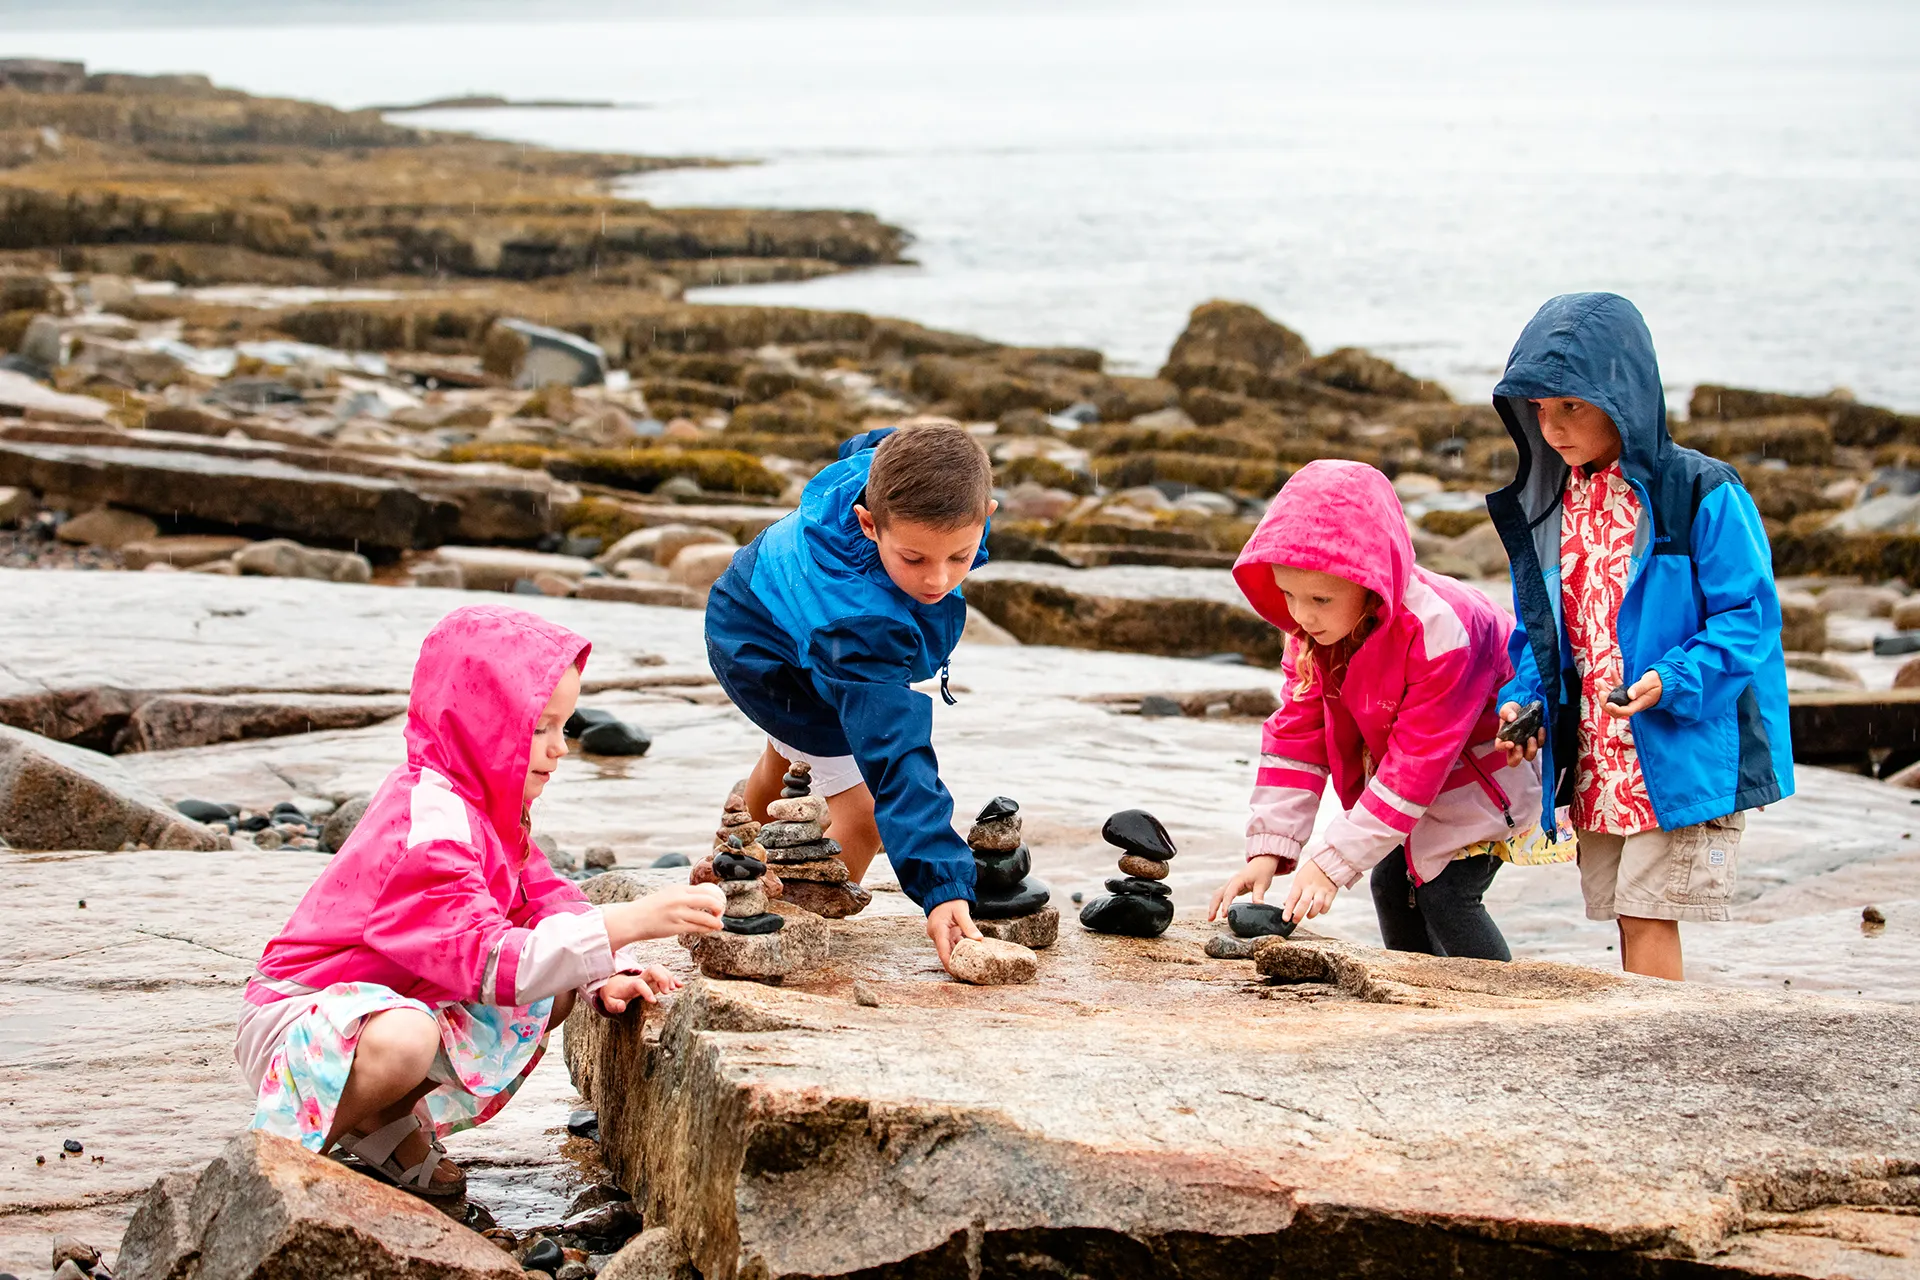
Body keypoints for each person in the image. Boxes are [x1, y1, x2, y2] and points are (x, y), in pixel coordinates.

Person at [235, 605, 726, 1198]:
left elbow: (545, 902)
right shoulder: (428, 826)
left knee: (557, 984)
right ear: (482, 728)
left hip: (380, 1006)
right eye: (540, 729)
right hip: (301, 1021)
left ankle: (377, 1122)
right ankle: (274, 1164)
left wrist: (608, 969)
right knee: (407, 1039)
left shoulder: (485, 807)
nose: (560, 749)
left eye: (564, 728)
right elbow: (487, 961)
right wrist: (630, 919)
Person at [1487, 292, 1792, 981]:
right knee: (1626, 912)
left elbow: (1750, 619)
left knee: (1652, 912)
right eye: (1540, 408)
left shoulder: (1701, 493)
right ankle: (1649, 1057)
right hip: (1598, 752)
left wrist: (1674, 678)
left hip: (1680, 745)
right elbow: (1546, 630)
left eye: (1573, 406)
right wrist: (1525, 700)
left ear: (1622, 395)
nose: (1554, 426)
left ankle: (1659, 1064)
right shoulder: (1555, 502)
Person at [1207, 459, 1545, 958]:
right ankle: (1414, 1002)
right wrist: (1270, 848)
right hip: (1411, 782)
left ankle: (1502, 1013)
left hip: (1487, 774)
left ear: (1369, 582)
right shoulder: (1310, 635)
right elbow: (1295, 740)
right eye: (1287, 595)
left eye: (1320, 598)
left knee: (1446, 893)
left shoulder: (1440, 631)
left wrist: (1331, 860)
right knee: (1390, 885)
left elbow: (1417, 763)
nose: (1301, 615)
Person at [705, 423, 997, 973]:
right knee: (863, 811)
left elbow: (872, 445)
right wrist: (942, 885)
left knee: (799, 754)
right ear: (868, 524)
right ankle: (781, 933)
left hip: (753, 604)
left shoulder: (886, 476)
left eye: (961, 556)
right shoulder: (859, 627)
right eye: (914, 559)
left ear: (987, 512)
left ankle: (736, 854)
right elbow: (895, 757)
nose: (938, 579)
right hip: (767, 656)